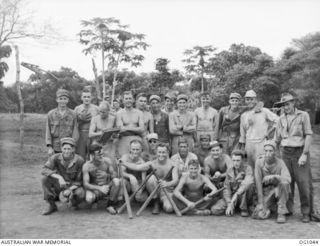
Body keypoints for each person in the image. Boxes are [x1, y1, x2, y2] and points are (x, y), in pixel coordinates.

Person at [274, 93, 320, 223]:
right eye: (283, 105)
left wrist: (304, 154)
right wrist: (272, 151)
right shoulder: (280, 118)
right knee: (286, 182)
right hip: (285, 153)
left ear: (294, 103)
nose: (285, 107)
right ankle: (287, 209)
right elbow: (276, 139)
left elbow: (309, 135)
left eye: (287, 104)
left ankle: (307, 212)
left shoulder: (303, 115)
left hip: (299, 151)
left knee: (304, 183)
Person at [121, 144, 179, 214]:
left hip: (167, 191)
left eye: (163, 152)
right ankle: (155, 202)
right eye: (159, 152)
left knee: (169, 209)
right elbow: (137, 167)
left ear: (167, 152)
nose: (161, 154)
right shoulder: (152, 163)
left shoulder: (173, 164)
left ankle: (162, 202)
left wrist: (167, 184)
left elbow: (175, 180)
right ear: (156, 152)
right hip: (155, 190)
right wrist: (123, 163)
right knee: (151, 178)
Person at [41, 138, 85, 215]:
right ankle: (52, 205)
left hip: (73, 186)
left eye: (69, 149)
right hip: (60, 185)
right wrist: (59, 177)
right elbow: (44, 169)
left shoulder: (79, 160)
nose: (66, 151)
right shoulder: (55, 157)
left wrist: (70, 190)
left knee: (80, 193)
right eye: (64, 149)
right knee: (45, 179)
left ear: (73, 149)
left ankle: (73, 202)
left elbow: (79, 181)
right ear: (61, 148)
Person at [239, 90, 278, 170]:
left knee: (262, 166)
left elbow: (278, 121)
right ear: (245, 101)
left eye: (251, 99)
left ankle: (262, 181)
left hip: (261, 143)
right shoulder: (244, 115)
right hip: (249, 144)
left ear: (255, 100)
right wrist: (243, 147)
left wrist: (269, 132)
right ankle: (252, 181)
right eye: (247, 99)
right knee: (250, 167)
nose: (249, 101)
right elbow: (242, 133)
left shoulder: (264, 111)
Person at [253, 140, 291, 224]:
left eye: (270, 151)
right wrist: (260, 202)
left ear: (275, 152)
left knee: (284, 183)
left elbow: (288, 179)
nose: (268, 153)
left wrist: (274, 177)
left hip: (279, 191)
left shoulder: (280, 163)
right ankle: (270, 207)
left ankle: (281, 212)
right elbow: (258, 182)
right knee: (259, 214)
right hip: (265, 192)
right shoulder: (259, 162)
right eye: (266, 151)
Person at [211, 150, 254, 216]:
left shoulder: (248, 169)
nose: (235, 163)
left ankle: (243, 208)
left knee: (246, 187)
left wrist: (236, 195)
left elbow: (247, 183)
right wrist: (229, 203)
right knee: (214, 210)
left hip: (242, 197)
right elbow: (226, 188)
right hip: (232, 197)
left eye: (238, 160)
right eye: (234, 160)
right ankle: (233, 207)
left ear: (242, 160)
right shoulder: (229, 170)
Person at [82, 143, 120, 214]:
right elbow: (85, 184)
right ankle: (96, 200)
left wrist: (107, 175)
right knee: (89, 199)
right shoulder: (86, 166)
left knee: (117, 181)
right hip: (95, 189)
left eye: (102, 154)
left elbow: (115, 175)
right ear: (92, 155)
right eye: (99, 155)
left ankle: (110, 204)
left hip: (106, 186)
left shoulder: (107, 161)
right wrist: (99, 188)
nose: (101, 156)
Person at [46, 89, 79, 155]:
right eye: (60, 98)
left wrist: (73, 146)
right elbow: (48, 131)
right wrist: (49, 147)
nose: (62, 101)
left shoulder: (73, 114)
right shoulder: (51, 114)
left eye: (65, 99)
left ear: (68, 100)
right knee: (54, 164)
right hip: (55, 146)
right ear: (57, 100)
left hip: (68, 146)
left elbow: (75, 131)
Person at [116, 91, 144, 157]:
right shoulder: (119, 113)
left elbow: (142, 129)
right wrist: (136, 128)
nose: (128, 100)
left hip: (137, 139)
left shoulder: (139, 113)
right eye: (126, 99)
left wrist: (126, 128)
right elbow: (121, 129)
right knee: (124, 162)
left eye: (130, 98)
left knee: (137, 163)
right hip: (124, 140)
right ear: (123, 101)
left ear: (133, 100)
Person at [74, 89, 99, 160]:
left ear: (91, 98)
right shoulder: (77, 109)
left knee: (93, 156)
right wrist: (81, 120)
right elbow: (74, 124)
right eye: (84, 97)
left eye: (88, 97)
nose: (86, 99)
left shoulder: (96, 108)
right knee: (81, 156)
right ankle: (81, 170)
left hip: (93, 135)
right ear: (81, 98)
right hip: (81, 134)